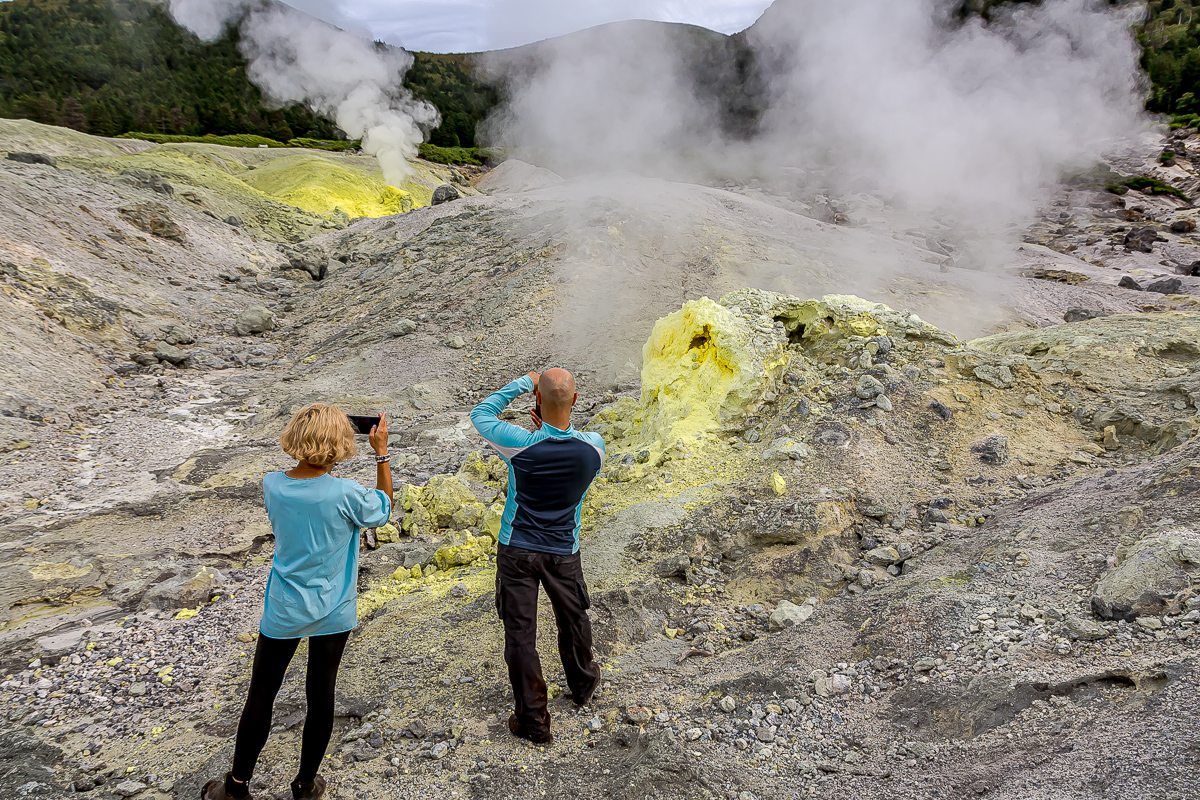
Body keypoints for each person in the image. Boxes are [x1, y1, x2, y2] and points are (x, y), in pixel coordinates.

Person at [202, 404, 393, 800]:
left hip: (284, 607)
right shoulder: (347, 494)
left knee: (261, 694)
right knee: (320, 693)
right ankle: (305, 785)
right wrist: (381, 453)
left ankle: (236, 788)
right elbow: (383, 511)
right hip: (333, 608)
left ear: (296, 438)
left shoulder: (272, 484)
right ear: (341, 443)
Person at [469, 368, 605, 744]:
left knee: (520, 634)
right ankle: (583, 684)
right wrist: (549, 418)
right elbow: (567, 441)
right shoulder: (594, 446)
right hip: (563, 549)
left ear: (537, 403)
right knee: (573, 617)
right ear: (575, 401)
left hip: (518, 550)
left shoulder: (520, 444)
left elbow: (480, 413)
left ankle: (533, 719)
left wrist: (524, 382)